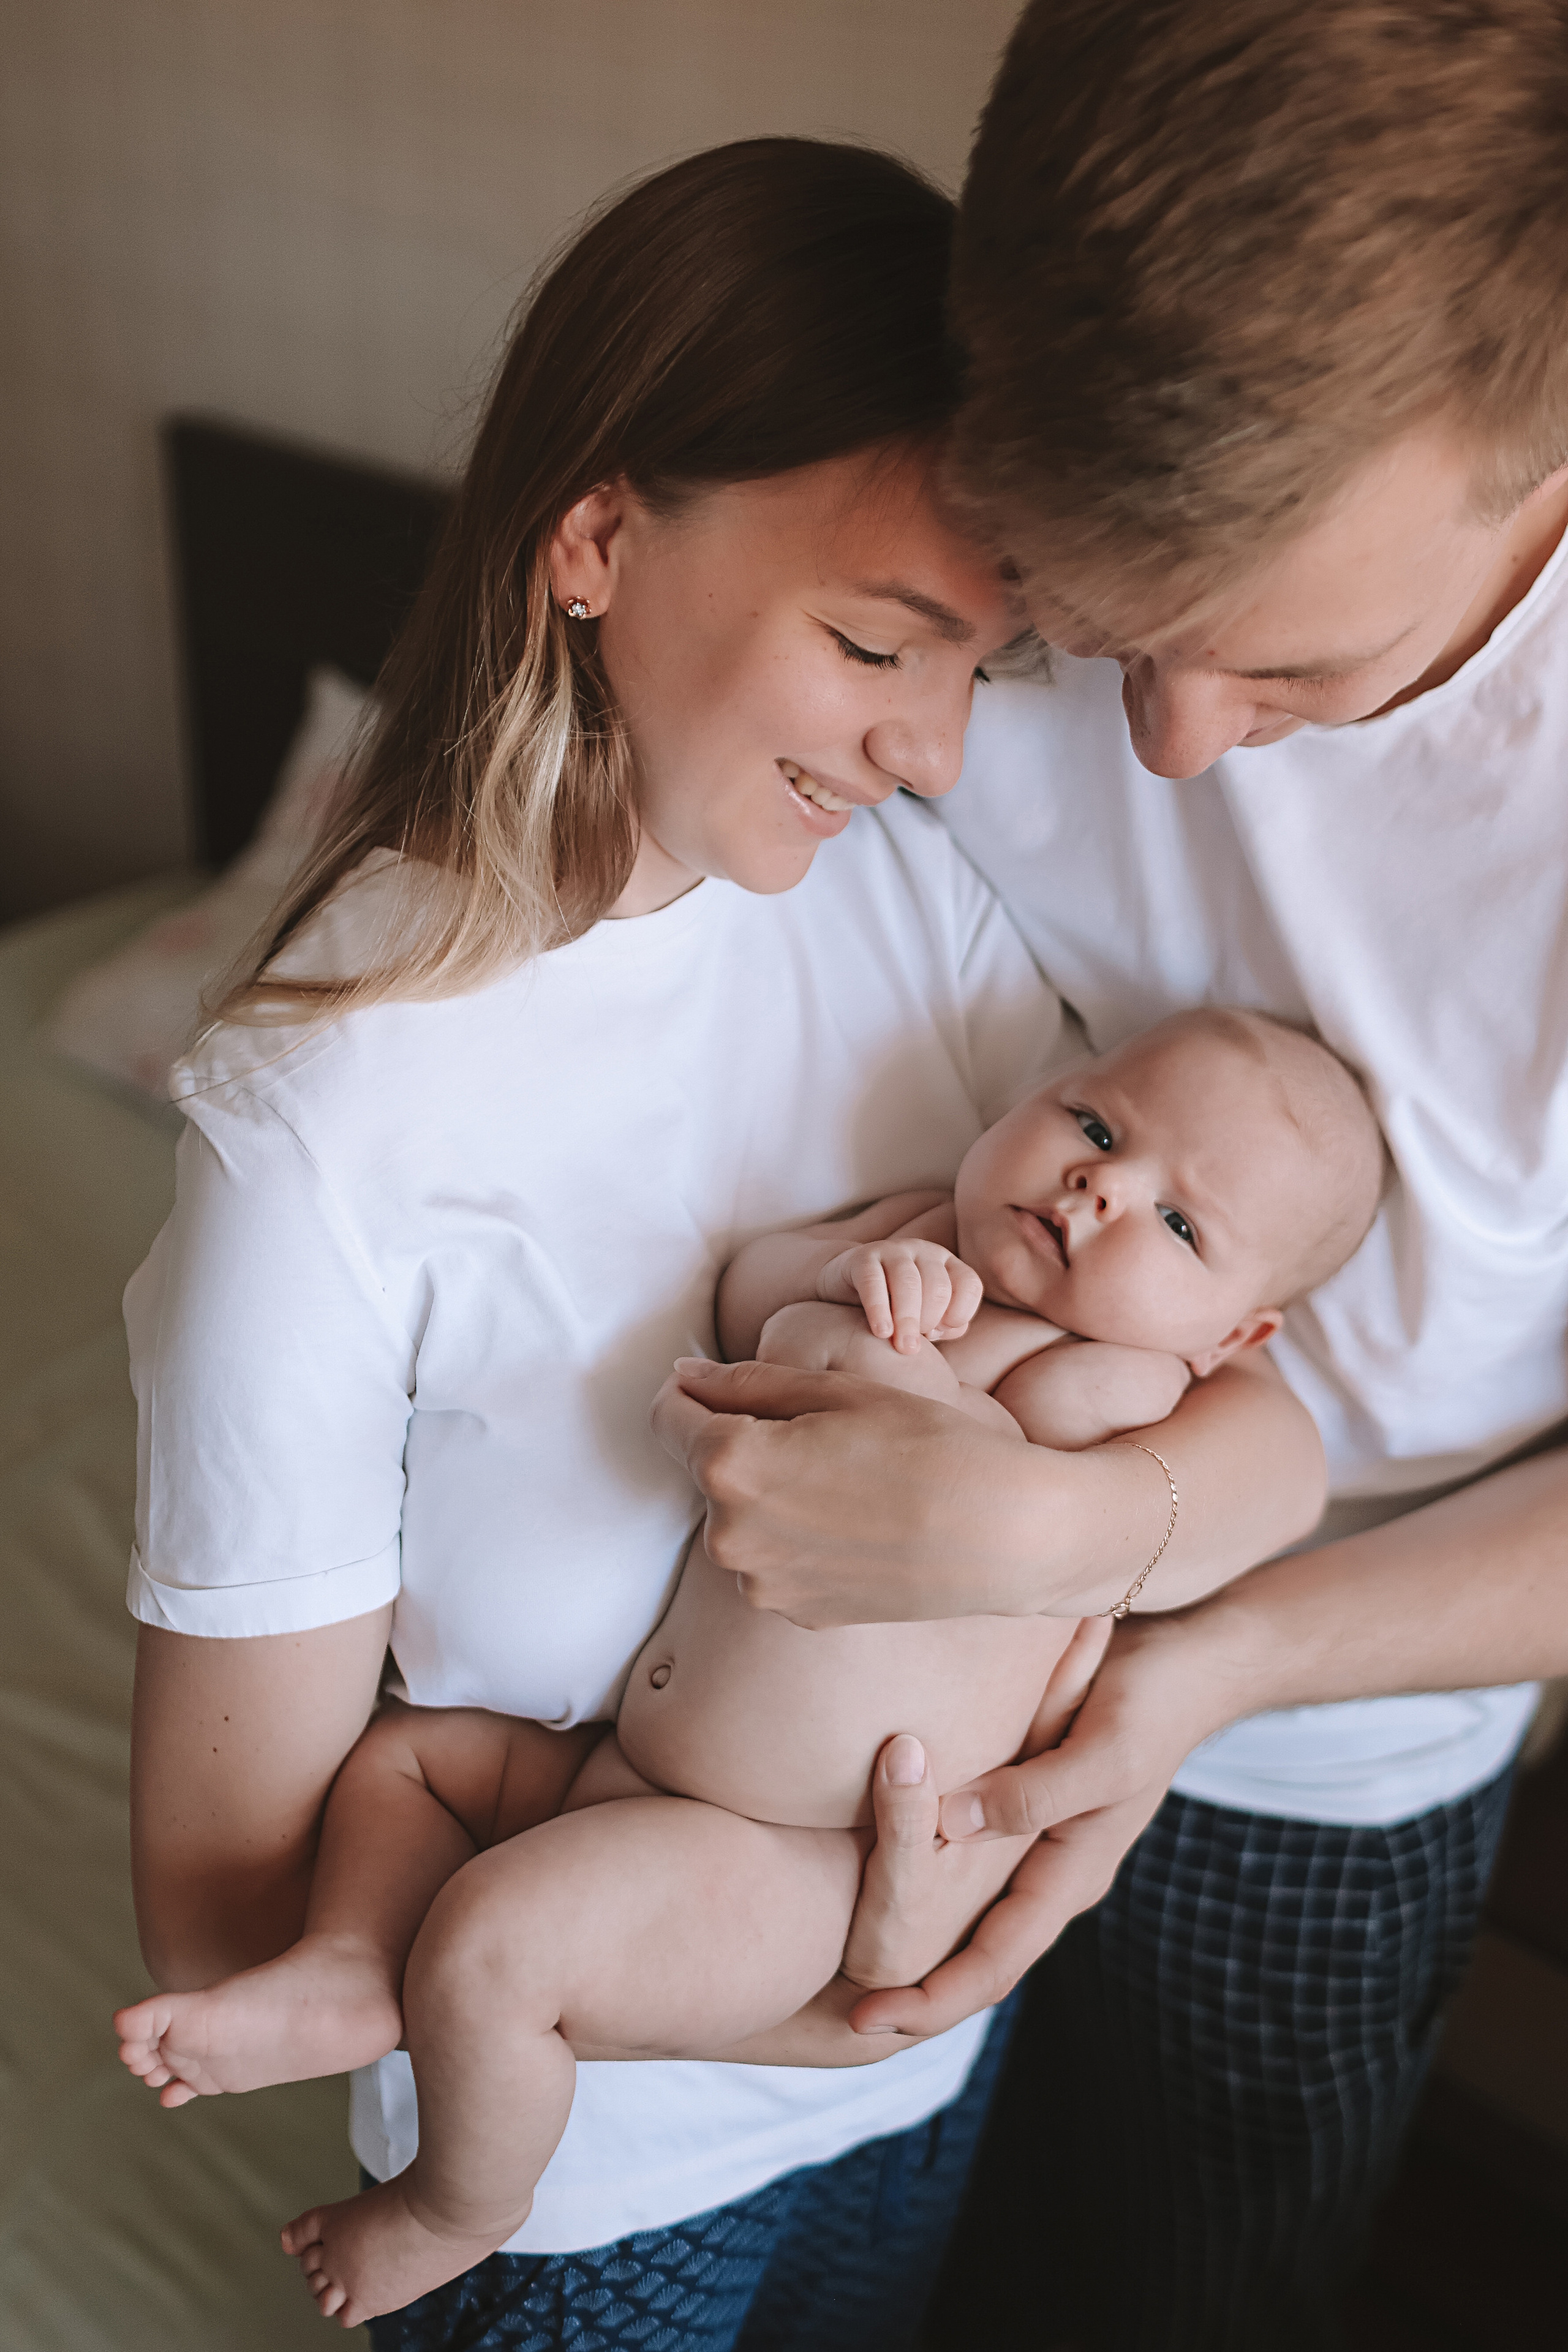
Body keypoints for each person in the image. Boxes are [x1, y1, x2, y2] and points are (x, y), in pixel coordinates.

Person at [123, 139, 1322, 2352]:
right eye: (874, 644)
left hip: (927, 2092)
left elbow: (1249, 1418)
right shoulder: (332, 1129)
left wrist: (1072, 1534)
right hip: (581, 2201)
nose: (930, 748)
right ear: (594, 541)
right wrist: (833, 1997)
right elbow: (219, 1932)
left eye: (982, 667)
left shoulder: (917, 919)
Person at [651, 8, 1568, 2345]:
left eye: (1291, 673)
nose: (1165, 746)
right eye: (1092, 624)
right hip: (821, 1680)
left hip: (1333, 1723)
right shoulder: (949, 430)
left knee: (1193, 2281)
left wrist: (1191, 1653)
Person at [115, 1008, 1382, 2329]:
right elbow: (744, 1294)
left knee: (498, 1949)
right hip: (626, 1768)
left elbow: (1186, 1481)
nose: (1101, 1188)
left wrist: (910, 1370)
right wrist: (852, 1272)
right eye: (1097, 1125)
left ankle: (457, 2205)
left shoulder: (1120, 1390)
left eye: (1178, 1225)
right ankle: (352, 1956)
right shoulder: (918, 1230)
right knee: (407, 1762)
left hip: (787, 1857)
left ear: (1233, 1338)